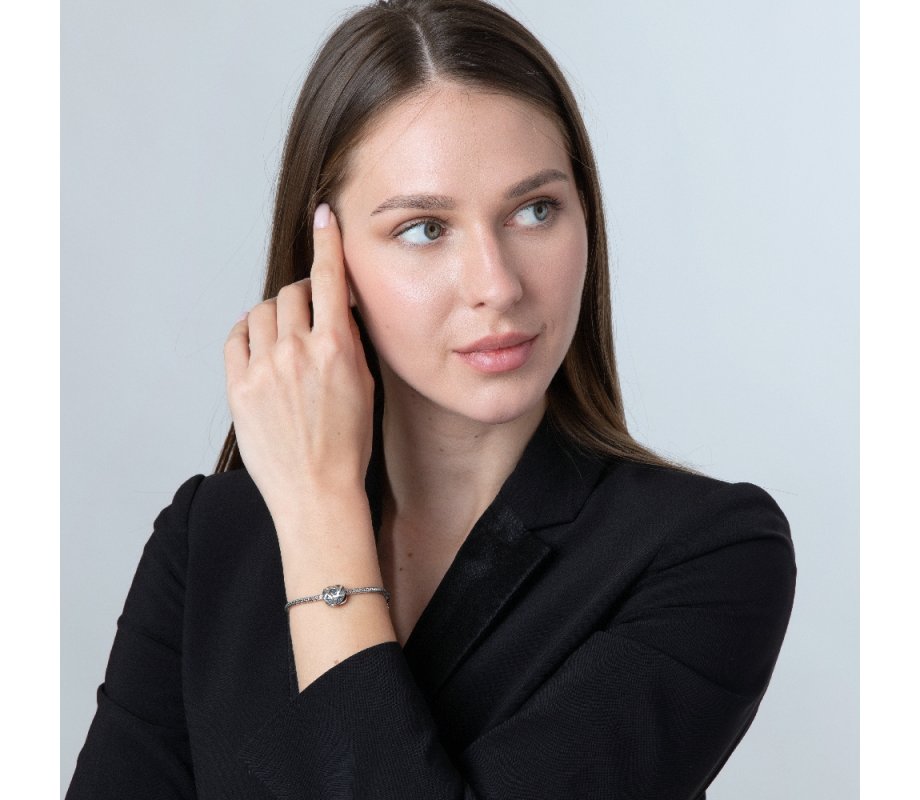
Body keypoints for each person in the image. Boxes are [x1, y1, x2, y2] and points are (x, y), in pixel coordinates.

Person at [66, 0, 796, 797]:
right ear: (330, 263)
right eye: (424, 228)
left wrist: (321, 520)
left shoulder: (708, 554)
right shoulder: (209, 541)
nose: (497, 285)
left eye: (535, 210)